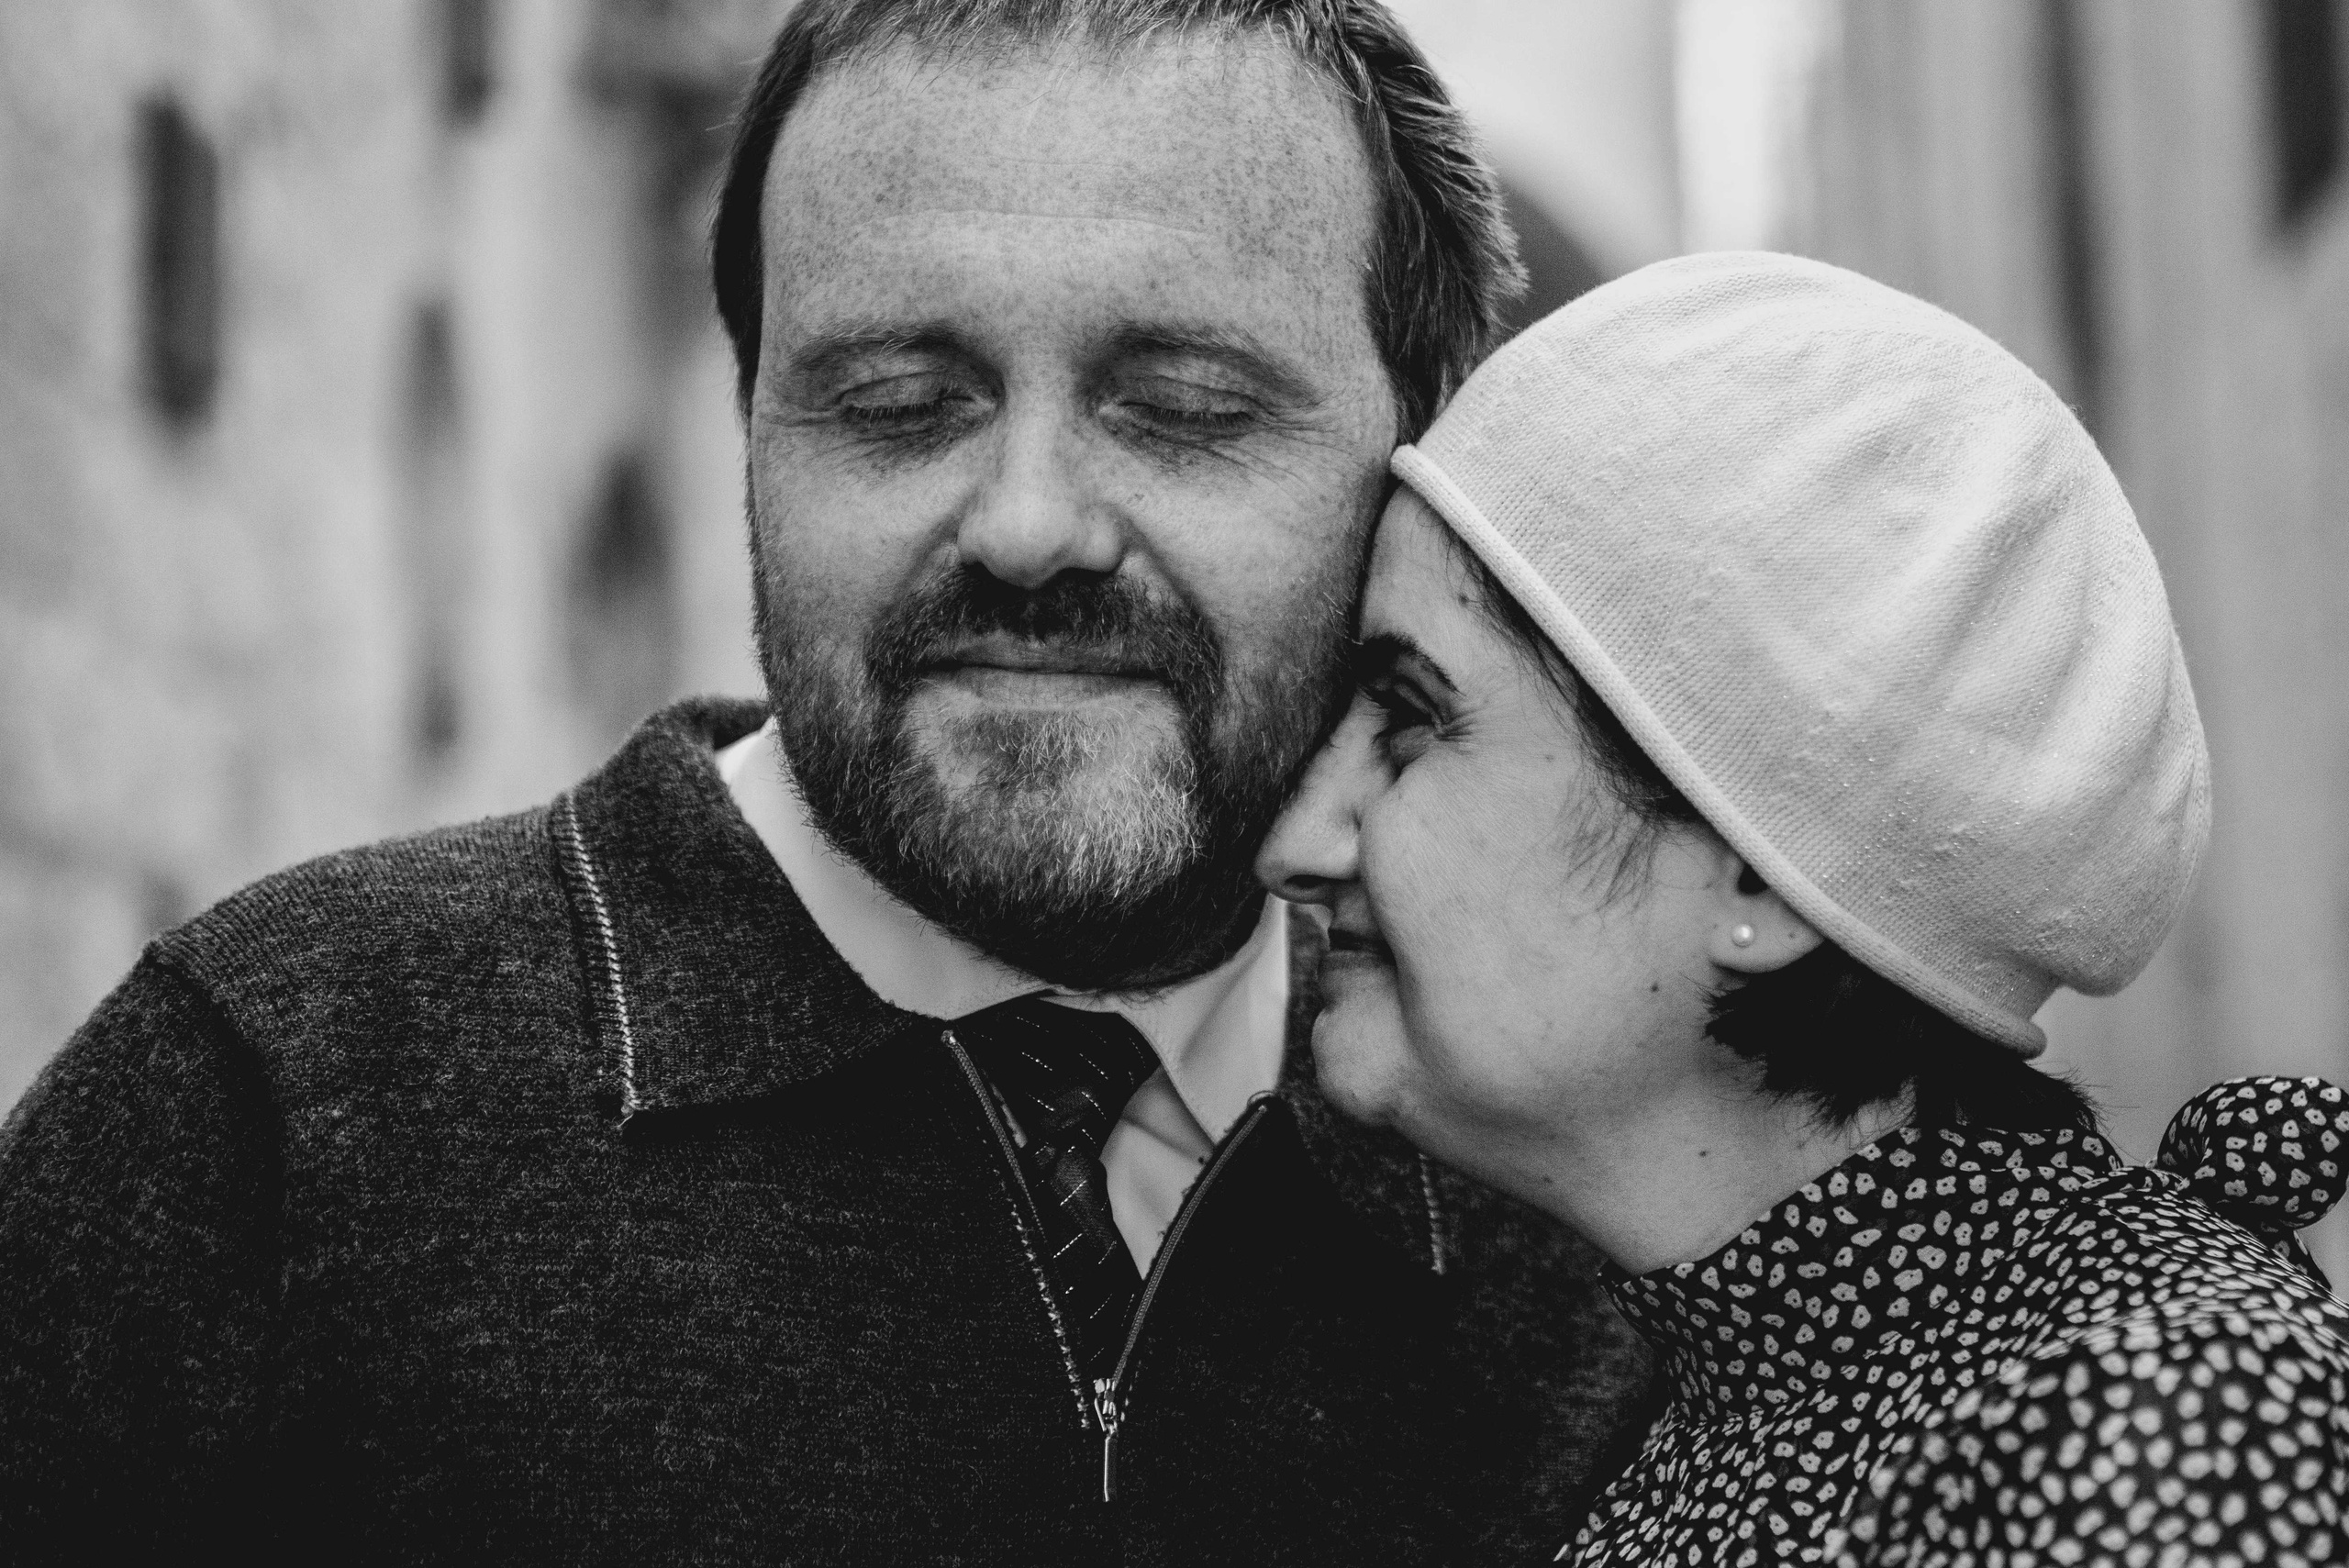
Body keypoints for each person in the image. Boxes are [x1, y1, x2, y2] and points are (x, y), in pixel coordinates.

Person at [0, 2, 1659, 1561]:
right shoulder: (275, 1105)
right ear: (753, 435)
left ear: (1414, 482)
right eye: (897, 407)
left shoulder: (1594, 1211)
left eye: (1184, 411)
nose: (1026, 525)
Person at [1259, 250, 2349, 1563]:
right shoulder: (1750, 1410)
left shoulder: (2148, 1422)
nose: (1300, 837)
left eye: (1414, 716)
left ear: (1756, 879)